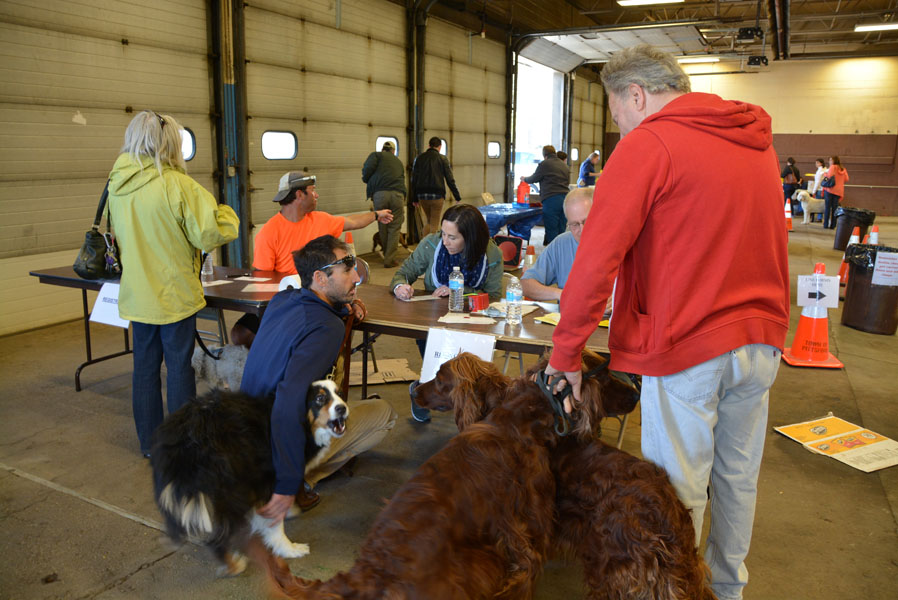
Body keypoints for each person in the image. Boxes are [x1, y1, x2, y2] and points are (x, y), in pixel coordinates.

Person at [544, 45, 789, 600]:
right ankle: (725, 590)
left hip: (688, 346)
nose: (621, 130)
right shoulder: (753, 141)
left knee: (674, 491)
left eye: (618, 117)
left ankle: (674, 592)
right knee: (736, 479)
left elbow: (596, 261)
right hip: (760, 340)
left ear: (637, 95)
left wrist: (566, 354)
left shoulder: (650, 144)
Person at [107, 110, 240, 458]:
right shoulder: (178, 185)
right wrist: (227, 212)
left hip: (138, 295)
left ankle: (150, 445)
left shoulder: (116, 185)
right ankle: (181, 444)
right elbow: (210, 233)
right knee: (179, 367)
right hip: (174, 295)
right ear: (170, 143)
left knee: (144, 369)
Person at [241, 235, 397, 520]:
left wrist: (344, 304)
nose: (356, 278)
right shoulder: (326, 327)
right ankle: (297, 482)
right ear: (320, 278)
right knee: (383, 413)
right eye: (347, 270)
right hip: (276, 440)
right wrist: (287, 484)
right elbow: (290, 399)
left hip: (246, 432)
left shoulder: (281, 300)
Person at [391, 203, 503, 423]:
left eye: (452, 237)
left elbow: (494, 296)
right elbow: (404, 273)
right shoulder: (431, 244)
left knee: (470, 374)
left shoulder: (491, 253)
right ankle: (422, 388)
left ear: (470, 238)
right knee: (437, 367)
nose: (445, 241)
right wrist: (400, 286)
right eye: (443, 233)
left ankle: (468, 408)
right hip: (433, 319)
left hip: (473, 321)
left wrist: (461, 291)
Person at [253, 172, 394, 273]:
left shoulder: (321, 219)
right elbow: (263, 277)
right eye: (313, 191)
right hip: (290, 296)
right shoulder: (268, 233)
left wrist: (376, 215)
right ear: (299, 194)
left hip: (321, 291)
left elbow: (352, 222)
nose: (317, 195)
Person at [521, 187, 592, 302]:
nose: (582, 230)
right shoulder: (561, 244)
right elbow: (526, 284)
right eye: (574, 224)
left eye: (587, 221)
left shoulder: (619, 244)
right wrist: (561, 294)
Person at [362, 141, 406, 267]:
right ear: (393, 151)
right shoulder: (398, 162)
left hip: (380, 194)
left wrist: (367, 179)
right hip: (398, 194)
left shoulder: (376, 155)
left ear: (383, 149)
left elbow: (367, 170)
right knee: (394, 228)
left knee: (383, 225)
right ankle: (389, 259)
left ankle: (387, 255)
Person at [409, 137, 462, 237]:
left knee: (429, 221)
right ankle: (431, 245)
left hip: (422, 195)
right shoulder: (442, 159)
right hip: (437, 195)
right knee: (434, 223)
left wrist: (414, 198)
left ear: (429, 146)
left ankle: (424, 244)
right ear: (440, 147)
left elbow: (414, 179)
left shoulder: (419, 158)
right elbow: (449, 179)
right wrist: (457, 196)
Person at [521, 145, 571, 246]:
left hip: (551, 199)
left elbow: (534, 178)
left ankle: (553, 251)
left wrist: (524, 179)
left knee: (551, 227)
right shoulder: (564, 165)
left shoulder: (544, 164)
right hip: (566, 199)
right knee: (561, 227)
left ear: (545, 155)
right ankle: (562, 249)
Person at [822, 155, 850, 230]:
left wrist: (825, 174)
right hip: (839, 191)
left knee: (827, 208)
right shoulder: (843, 169)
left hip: (830, 190)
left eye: (831, 160)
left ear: (834, 161)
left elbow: (829, 176)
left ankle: (825, 224)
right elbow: (846, 179)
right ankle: (833, 225)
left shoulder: (833, 167)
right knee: (835, 208)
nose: (829, 161)